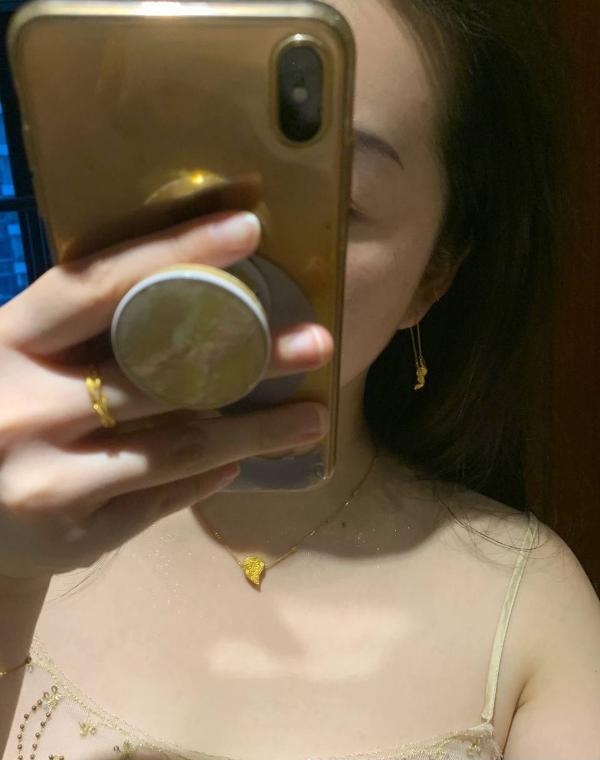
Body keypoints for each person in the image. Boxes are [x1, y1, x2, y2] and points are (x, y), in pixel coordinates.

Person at [1, 1, 599, 759]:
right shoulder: (20, 516)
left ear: (435, 272)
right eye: (178, 162)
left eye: (325, 197)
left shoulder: (533, 619)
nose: (223, 247)